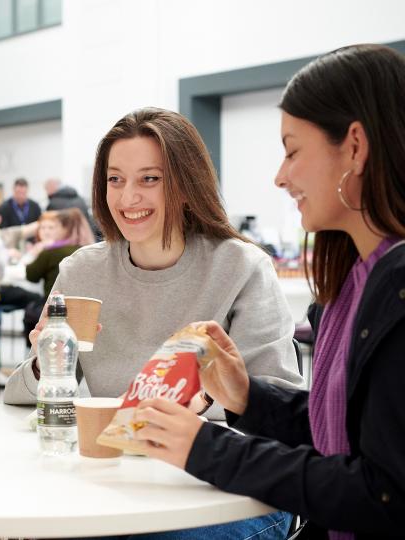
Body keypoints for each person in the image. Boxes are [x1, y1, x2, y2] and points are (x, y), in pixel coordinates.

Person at [131, 44, 405, 539]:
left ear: (356, 146)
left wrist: (208, 447)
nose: (281, 176)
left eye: (293, 150)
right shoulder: (351, 283)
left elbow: (384, 494)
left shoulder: (394, 290)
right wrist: (247, 398)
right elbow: (343, 433)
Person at [5, 107, 303, 538]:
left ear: (185, 185)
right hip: (120, 481)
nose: (128, 198)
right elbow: (18, 397)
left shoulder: (241, 266)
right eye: (115, 179)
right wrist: (45, 362)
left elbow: (282, 405)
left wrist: (199, 399)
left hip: (231, 486)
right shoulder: (81, 271)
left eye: (150, 179)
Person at [25, 208, 93, 298]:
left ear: (64, 228)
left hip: (54, 306)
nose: (49, 231)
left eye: (54, 227)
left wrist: (33, 253)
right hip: (82, 305)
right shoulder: (90, 251)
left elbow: (31, 276)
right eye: (43, 228)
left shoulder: (52, 252)